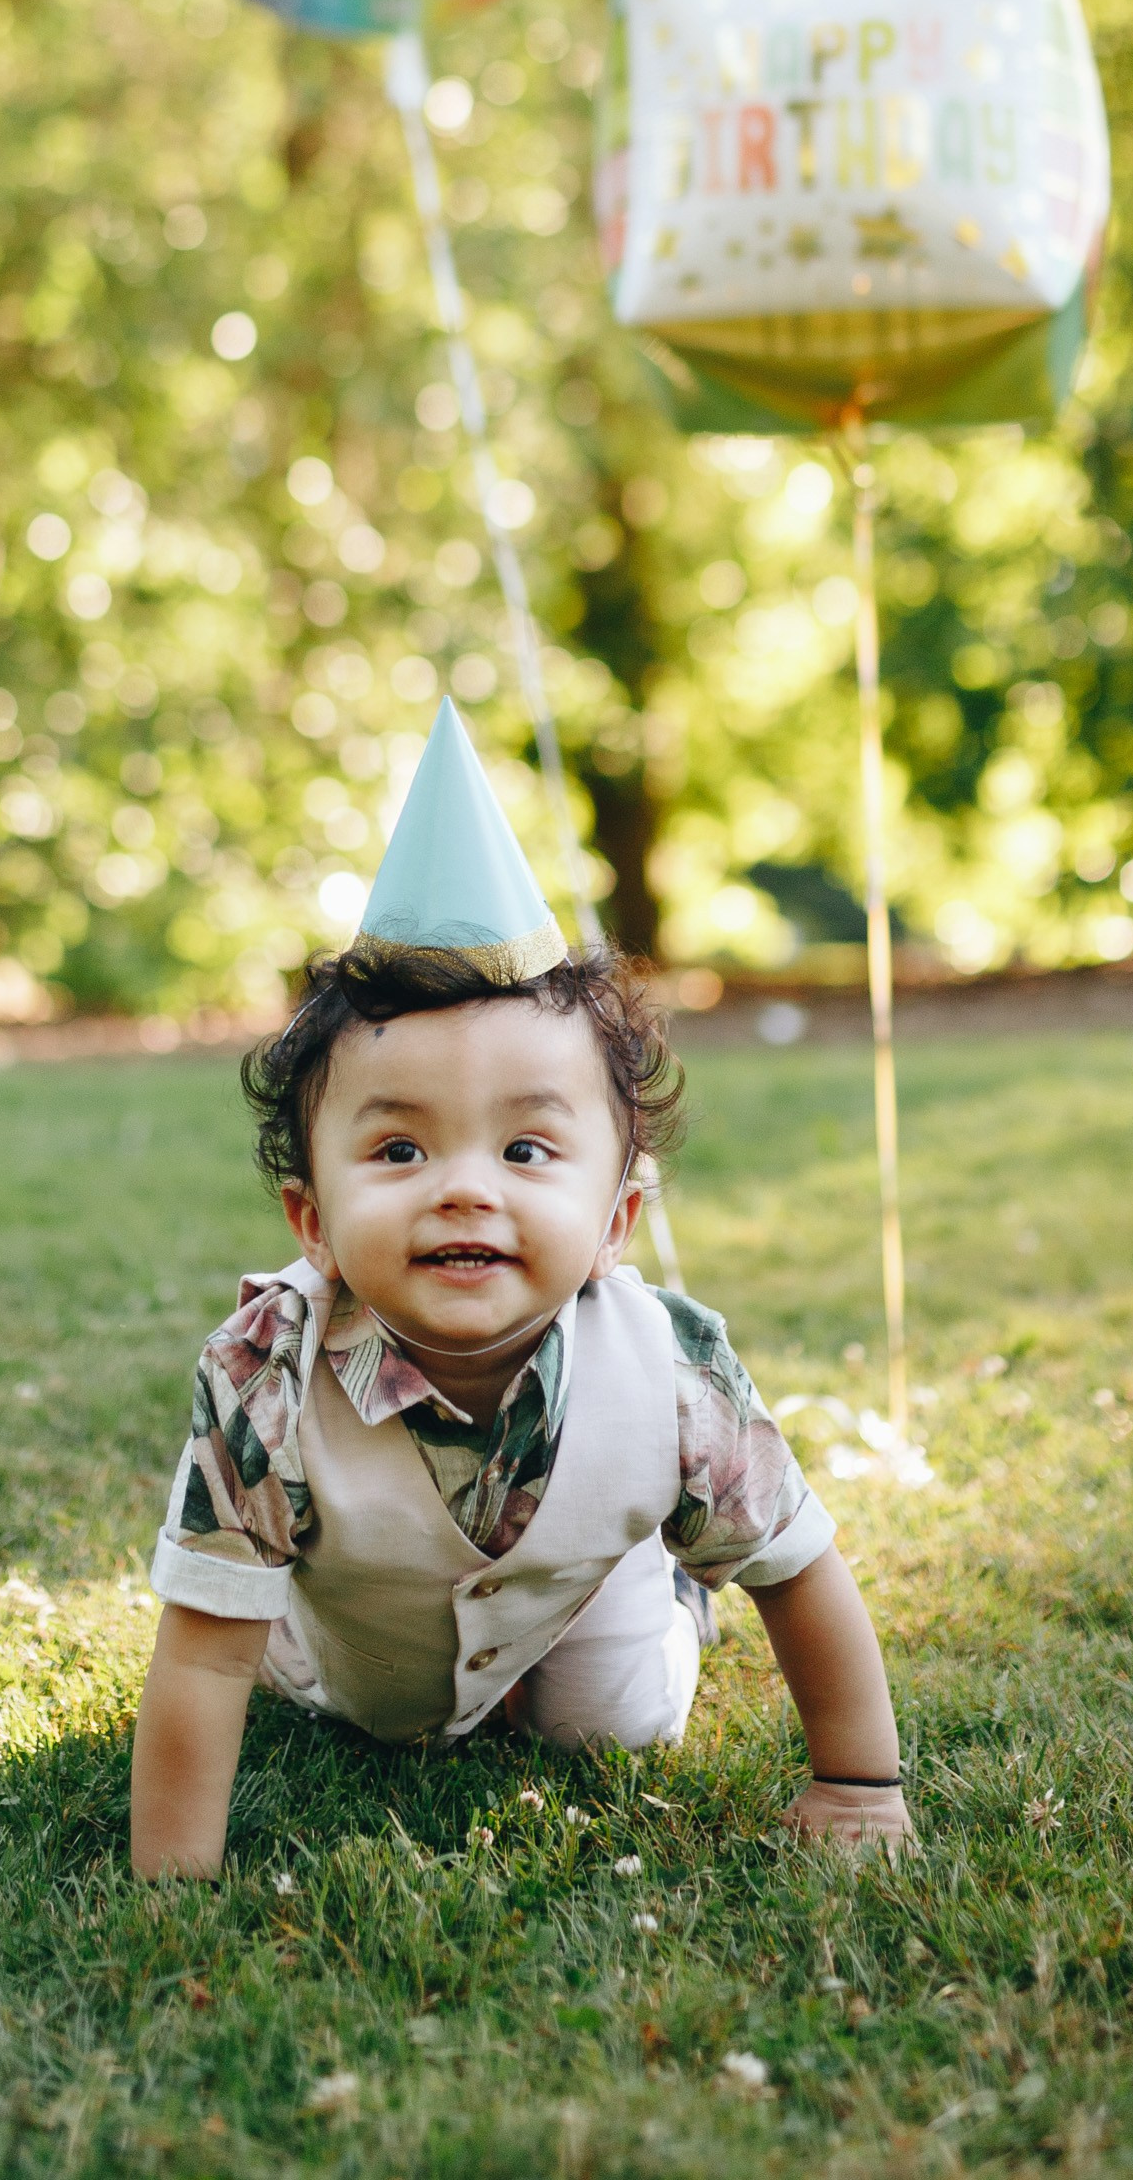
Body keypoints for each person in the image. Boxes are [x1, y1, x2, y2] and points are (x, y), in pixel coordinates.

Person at [130, 701, 914, 1877]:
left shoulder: (671, 1367)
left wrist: (855, 1785)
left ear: (615, 1221)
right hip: (346, 1646)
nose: (463, 1191)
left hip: (578, 1584)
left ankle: (655, 1584)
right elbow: (198, 1659)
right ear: (313, 1224)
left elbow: (796, 1570)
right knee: (343, 1715)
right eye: (398, 1151)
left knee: (608, 1728)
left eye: (525, 1151)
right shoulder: (262, 1377)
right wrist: (170, 1890)